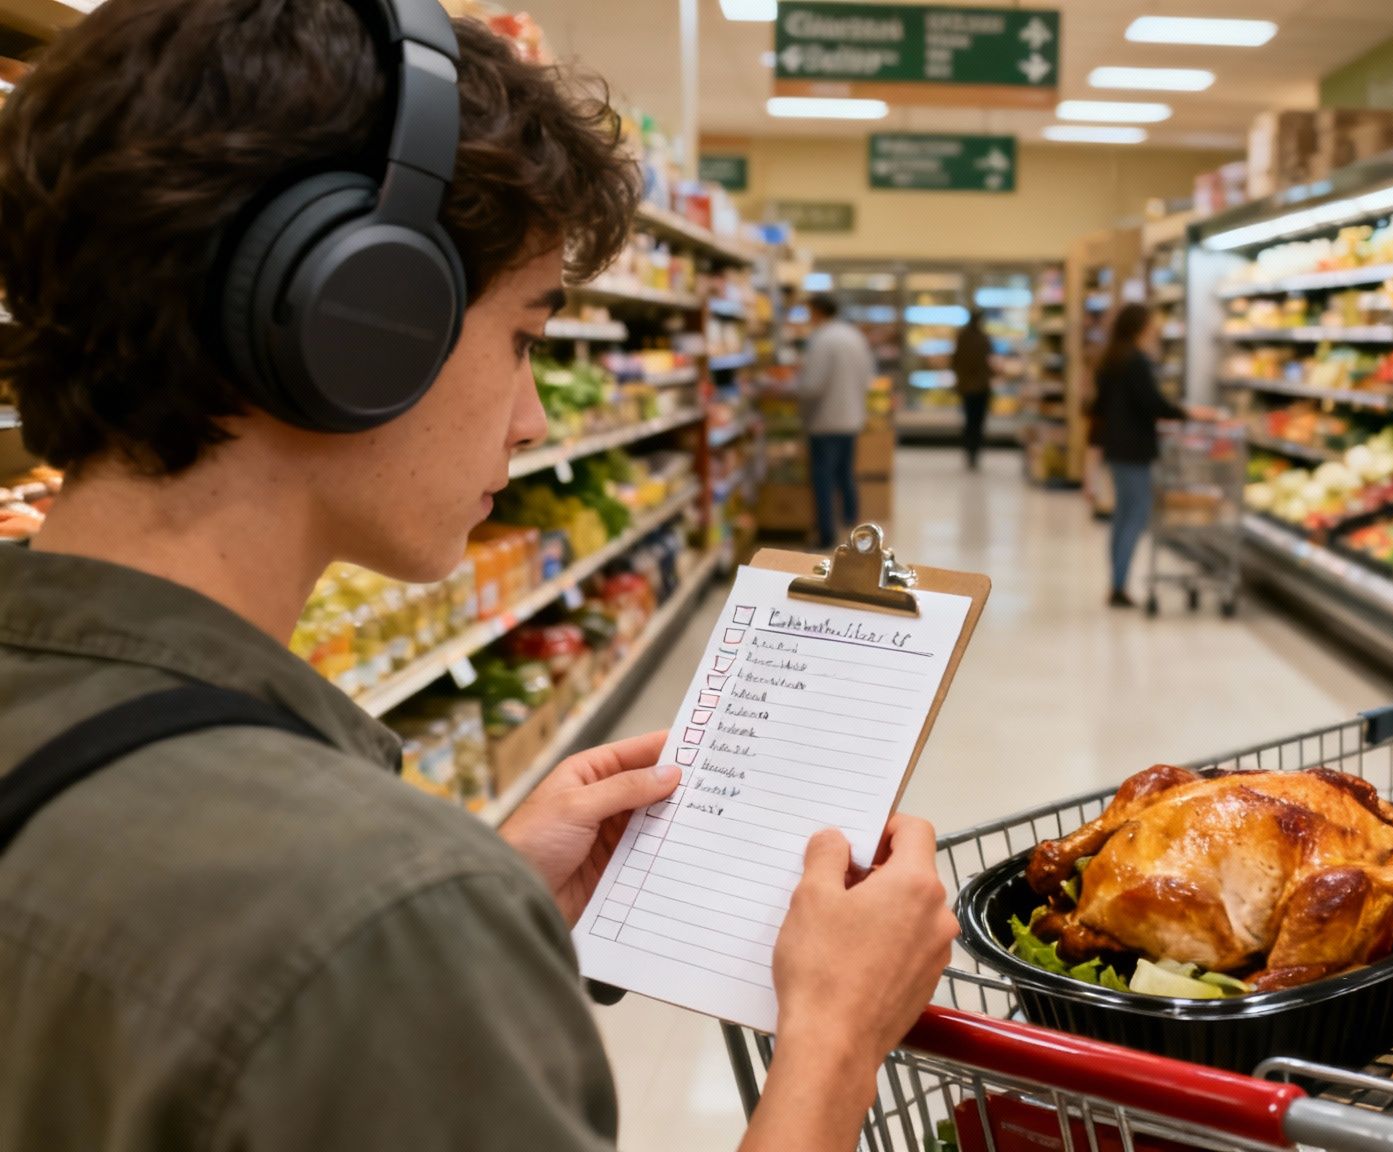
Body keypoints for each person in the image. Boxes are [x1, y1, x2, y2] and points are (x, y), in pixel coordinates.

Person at [0, 3, 955, 1150]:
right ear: (355, 322)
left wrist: (475, 914)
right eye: (522, 337)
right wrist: (836, 1039)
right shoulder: (368, 907)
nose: (534, 417)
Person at [1092, 303, 1185, 608]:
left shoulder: (1110, 361)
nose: (1154, 328)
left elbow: (1099, 409)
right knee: (1137, 514)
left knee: (1122, 515)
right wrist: (1187, 413)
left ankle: (1116, 580)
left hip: (1116, 448)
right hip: (1136, 450)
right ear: (1139, 327)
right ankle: (1119, 585)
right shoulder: (1137, 362)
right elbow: (1152, 404)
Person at [797, 294, 875, 547]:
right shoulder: (854, 336)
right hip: (852, 417)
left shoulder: (821, 339)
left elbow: (812, 385)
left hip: (826, 420)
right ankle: (854, 525)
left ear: (817, 312)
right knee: (845, 473)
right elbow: (868, 377)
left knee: (823, 477)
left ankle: (826, 533)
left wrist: (791, 390)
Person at [950, 309, 995, 469]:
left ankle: (969, 451)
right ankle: (975, 451)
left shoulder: (962, 338)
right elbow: (989, 362)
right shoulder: (984, 339)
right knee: (978, 421)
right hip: (981, 387)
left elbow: (954, 361)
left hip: (967, 387)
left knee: (969, 421)